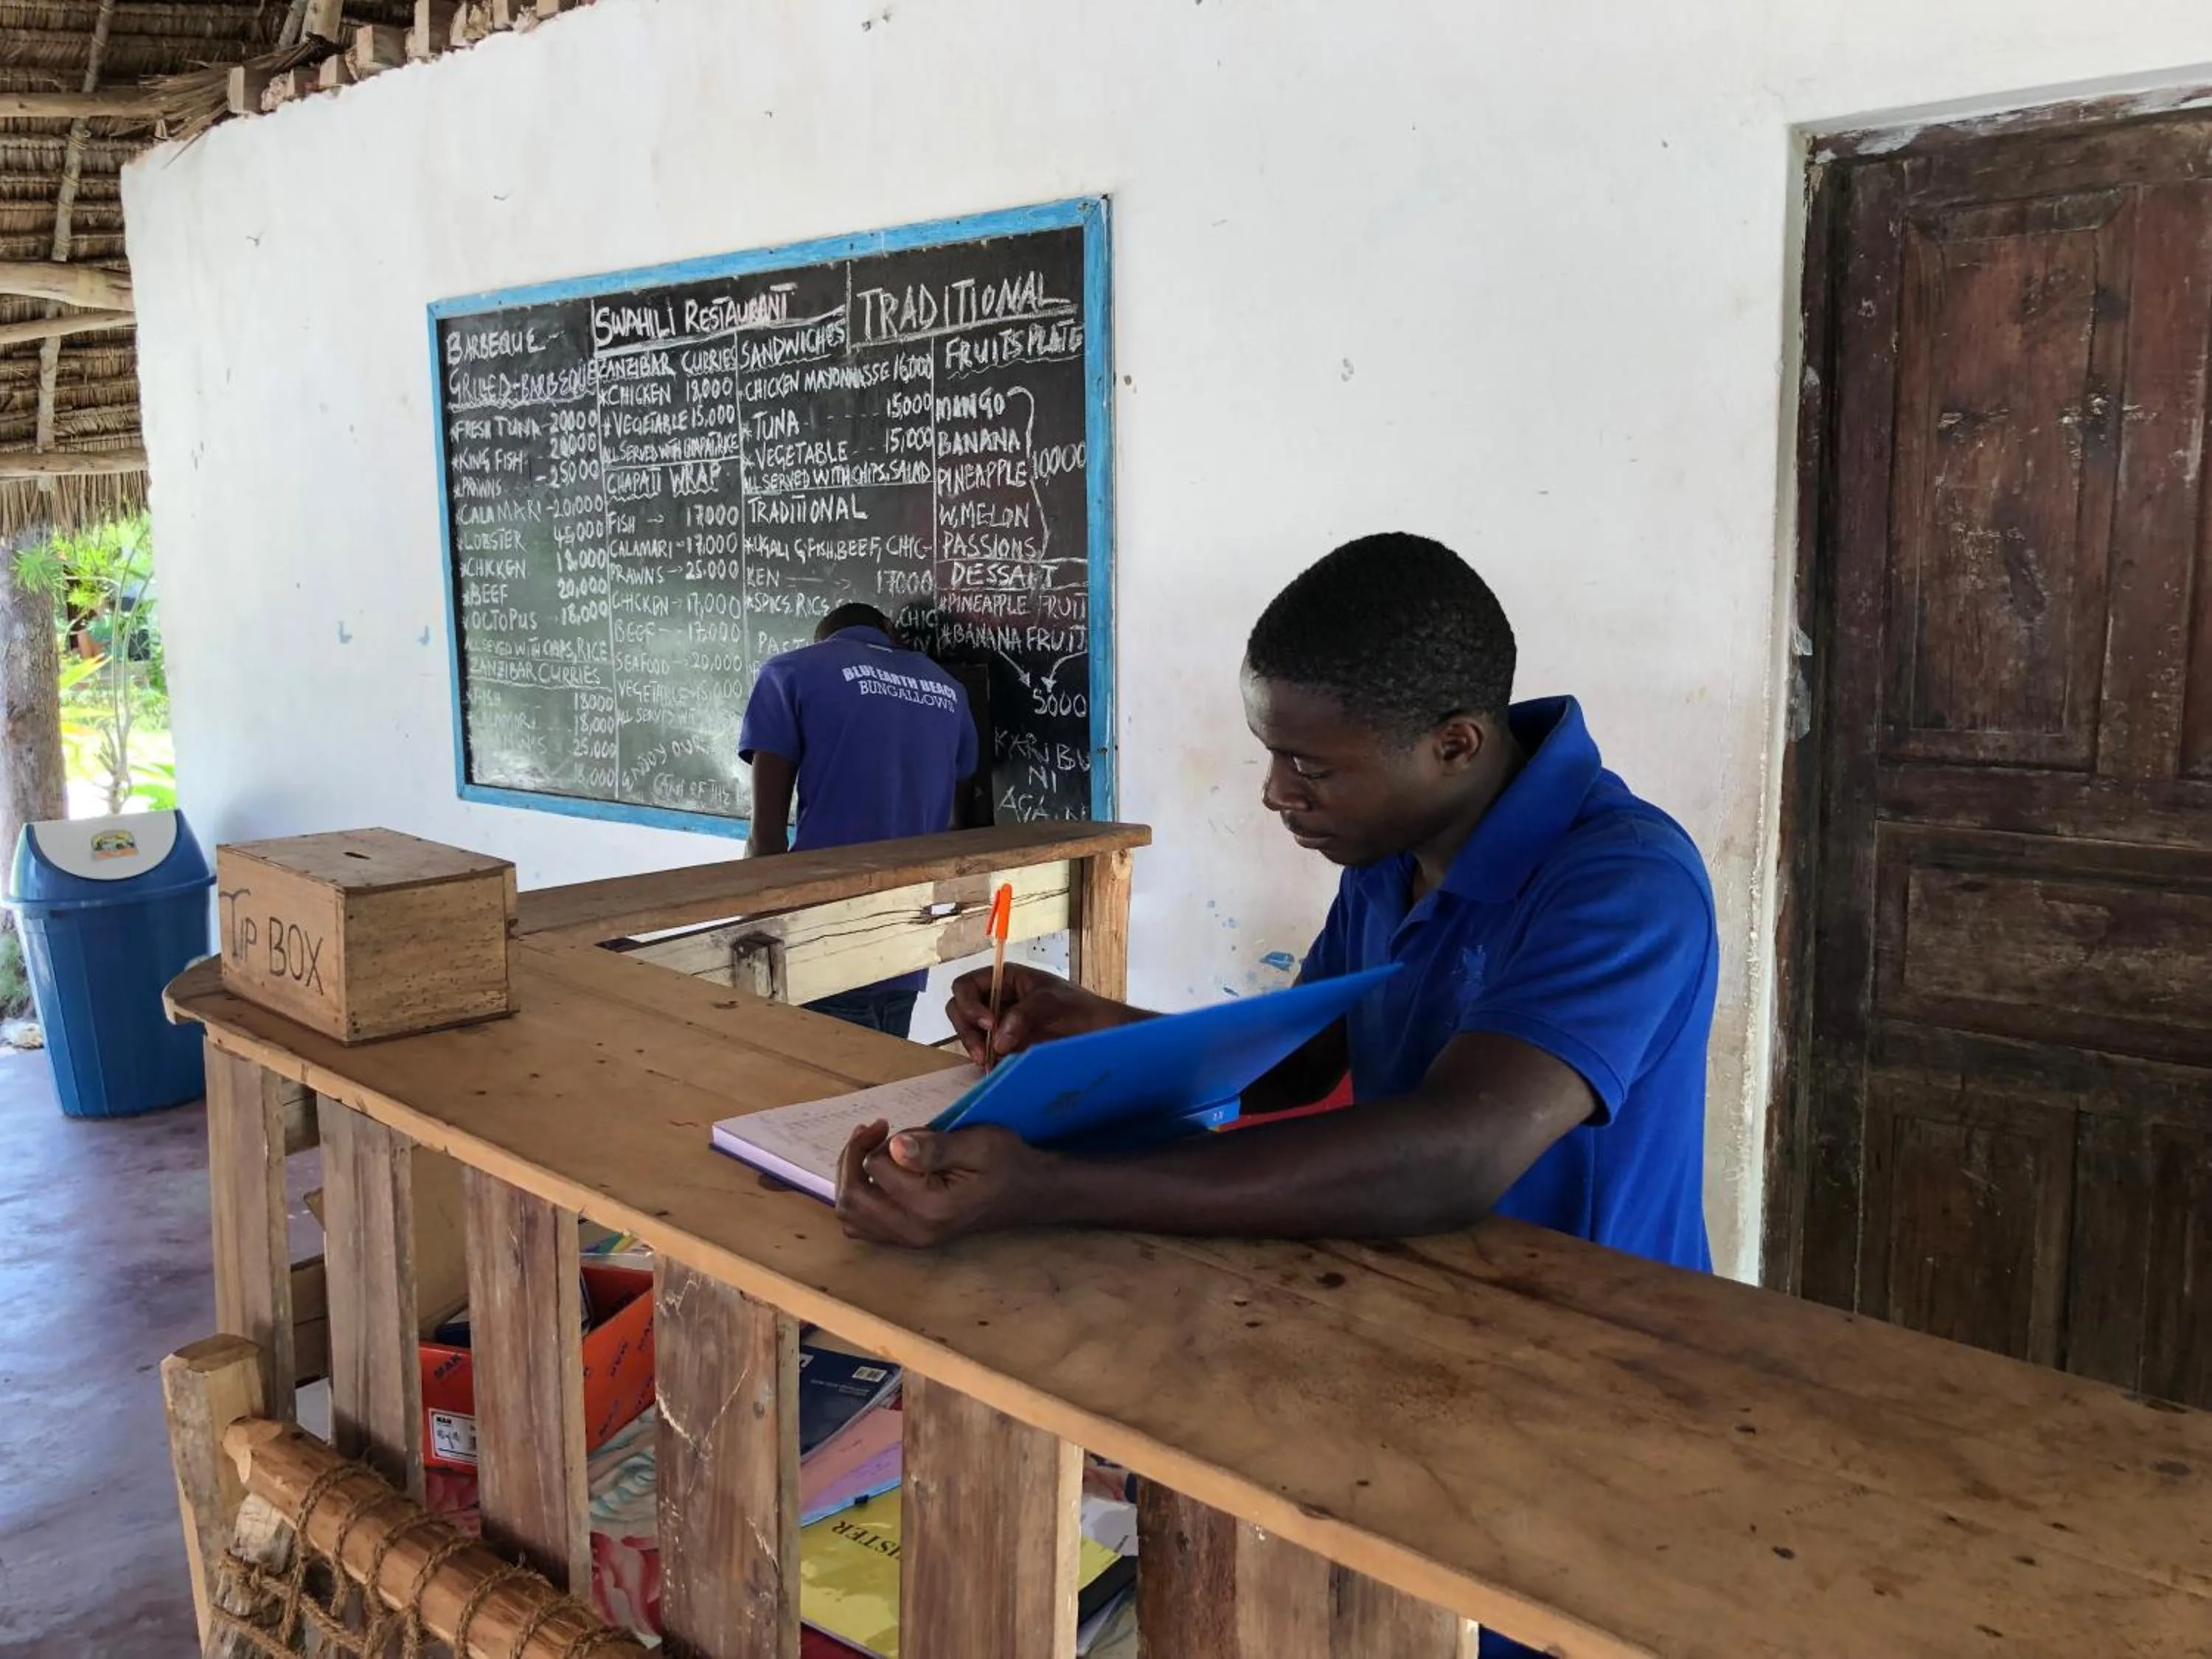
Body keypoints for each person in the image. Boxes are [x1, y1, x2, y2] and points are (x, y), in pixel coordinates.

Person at [832, 534, 1716, 1267]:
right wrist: (1100, 1028)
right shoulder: (1387, 852)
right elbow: (1302, 1059)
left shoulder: (1625, 883)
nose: (1275, 793)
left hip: (1589, 1330)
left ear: (1454, 745)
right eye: (1273, 754)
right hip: (1409, 1284)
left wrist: (1046, 1190)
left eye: (1312, 767)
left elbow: (1455, 1156)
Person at [739, 602, 978, 1038]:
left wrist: (751, 935)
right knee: (880, 1085)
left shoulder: (791, 672)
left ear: (824, 640)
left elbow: (766, 839)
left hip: (823, 932)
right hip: (908, 929)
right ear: (889, 631)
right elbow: (961, 825)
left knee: (827, 1097)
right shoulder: (949, 690)